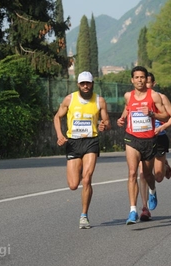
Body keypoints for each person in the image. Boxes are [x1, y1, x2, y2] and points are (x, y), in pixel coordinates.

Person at [53, 71, 111, 229]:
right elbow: (57, 117)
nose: (86, 86)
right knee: (73, 185)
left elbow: (107, 122)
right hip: (73, 142)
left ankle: (84, 216)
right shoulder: (69, 99)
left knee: (87, 179)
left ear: (92, 84)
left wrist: (103, 125)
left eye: (88, 83)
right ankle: (78, 170)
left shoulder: (99, 101)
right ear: (78, 84)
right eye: (82, 83)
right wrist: (59, 135)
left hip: (91, 141)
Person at [117, 66, 168, 225]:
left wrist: (152, 114)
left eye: (142, 77)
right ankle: (133, 210)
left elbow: (165, 115)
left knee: (147, 175)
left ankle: (152, 190)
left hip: (149, 140)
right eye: (136, 77)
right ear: (132, 80)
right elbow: (128, 108)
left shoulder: (153, 96)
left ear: (147, 79)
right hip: (132, 138)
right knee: (132, 172)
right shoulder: (127, 95)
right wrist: (122, 118)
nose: (139, 80)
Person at [138, 72, 171, 221]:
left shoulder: (161, 98)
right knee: (143, 173)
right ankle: (144, 208)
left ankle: (165, 165)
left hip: (159, 138)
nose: (144, 85)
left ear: (153, 84)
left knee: (159, 176)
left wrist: (163, 127)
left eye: (148, 82)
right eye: (143, 82)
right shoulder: (136, 98)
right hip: (142, 139)